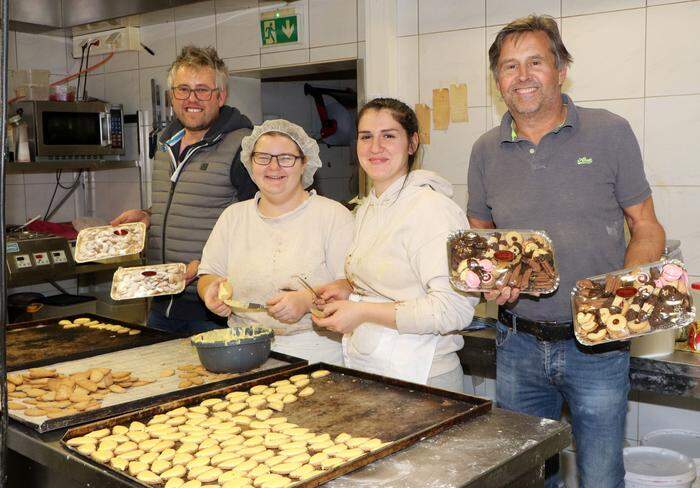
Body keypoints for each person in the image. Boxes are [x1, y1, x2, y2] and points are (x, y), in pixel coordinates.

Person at [467, 15, 665, 488]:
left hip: (595, 346)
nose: (522, 75)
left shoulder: (609, 132)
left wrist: (623, 292)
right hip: (517, 343)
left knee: (599, 474)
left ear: (560, 68)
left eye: (535, 61)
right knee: (526, 477)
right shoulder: (485, 150)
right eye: (509, 66)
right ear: (498, 80)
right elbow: (481, 236)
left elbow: (647, 227)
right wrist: (490, 276)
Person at [312, 98, 479, 392]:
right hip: (375, 366)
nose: (375, 147)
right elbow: (397, 280)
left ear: (412, 143)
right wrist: (348, 287)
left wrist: (362, 312)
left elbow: (453, 309)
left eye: (389, 136)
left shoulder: (431, 209)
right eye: (366, 137)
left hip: (423, 376)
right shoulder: (368, 207)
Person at [111, 46, 257, 335]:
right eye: (183, 90)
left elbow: (258, 224)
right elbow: (187, 204)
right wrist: (148, 216)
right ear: (171, 96)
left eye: (203, 90)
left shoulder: (244, 147)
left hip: (211, 307)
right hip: (161, 303)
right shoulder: (164, 145)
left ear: (220, 96)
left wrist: (206, 266)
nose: (192, 99)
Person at [196, 119, 353, 365]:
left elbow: (352, 285)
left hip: (315, 350)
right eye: (263, 157)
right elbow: (209, 274)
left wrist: (307, 301)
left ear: (304, 163)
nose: (273, 167)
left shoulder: (332, 216)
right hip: (242, 348)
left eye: (286, 158)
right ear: (250, 162)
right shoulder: (234, 217)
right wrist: (209, 292)